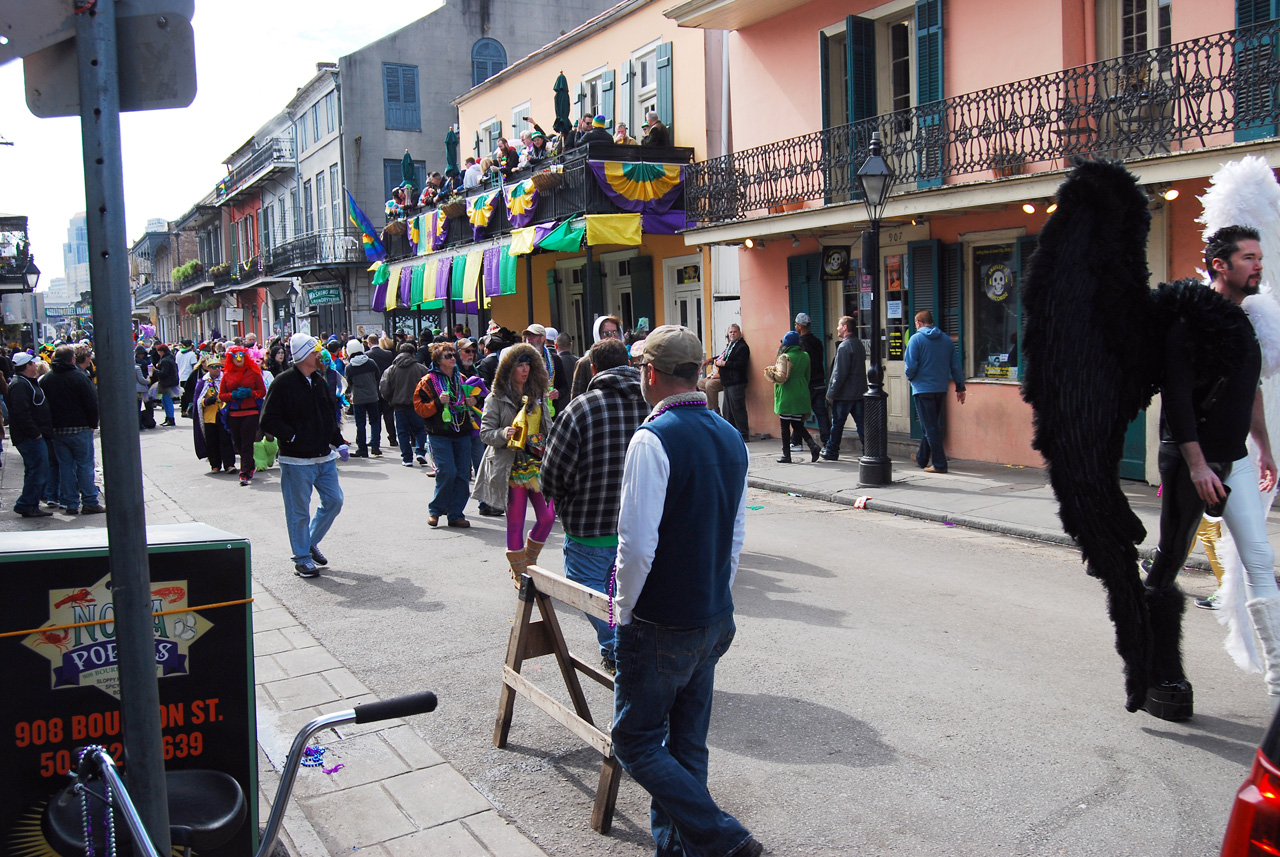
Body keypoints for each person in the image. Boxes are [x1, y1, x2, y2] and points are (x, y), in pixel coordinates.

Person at [610, 325, 762, 857]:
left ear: (651, 373)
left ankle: (722, 837)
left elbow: (636, 546)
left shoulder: (653, 438)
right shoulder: (727, 433)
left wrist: (623, 611)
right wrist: (716, 593)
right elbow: (737, 534)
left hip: (663, 620)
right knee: (687, 744)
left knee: (634, 740)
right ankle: (677, 848)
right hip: (712, 613)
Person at [1159, 225, 1280, 711]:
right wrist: (1197, 465)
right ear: (1220, 266)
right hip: (1194, 462)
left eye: (1258, 257)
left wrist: (1264, 448)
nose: (1258, 265)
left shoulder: (1244, 321)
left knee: (1259, 558)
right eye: (1248, 258)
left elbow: (1247, 391)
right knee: (1170, 559)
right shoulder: (1190, 322)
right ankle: (1155, 662)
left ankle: (1277, 684)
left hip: (1237, 461)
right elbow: (1177, 397)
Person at [542, 338, 649, 671]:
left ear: (592, 368)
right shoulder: (653, 406)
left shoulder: (580, 408)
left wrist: (558, 498)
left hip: (588, 526)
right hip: (640, 527)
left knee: (589, 591)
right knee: (631, 594)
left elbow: (552, 473)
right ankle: (625, 647)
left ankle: (618, 648)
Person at [259, 333, 349, 579]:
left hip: (323, 457)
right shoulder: (283, 382)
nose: (319, 355)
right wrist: (293, 437)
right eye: (314, 352)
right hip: (297, 460)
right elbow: (268, 419)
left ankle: (309, 542)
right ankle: (301, 558)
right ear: (302, 356)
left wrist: (338, 442)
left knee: (334, 501)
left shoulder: (318, 380)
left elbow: (328, 415)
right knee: (299, 511)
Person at [473, 344, 555, 583]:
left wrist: (547, 441)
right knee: (516, 520)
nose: (525, 369)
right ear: (509, 368)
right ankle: (520, 573)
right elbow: (485, 433)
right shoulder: (495, 398)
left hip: (537, 463)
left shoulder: (538, 395)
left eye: (528, 364)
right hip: (509, 465)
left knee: (548, 517)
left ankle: (528, 560)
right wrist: (504, 433)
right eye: (520, 364)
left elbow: (548, 427)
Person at [417, 342, 476, 527]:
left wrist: (472, 400)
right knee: (447, 471)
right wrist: (436, 402)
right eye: (447, 356)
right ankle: (435, 510)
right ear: (438, 360)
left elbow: (476, 401)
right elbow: (419, 407)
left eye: (453, 355)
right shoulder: (427, 381)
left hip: (462, 431)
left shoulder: (462, 378)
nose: (452, 358)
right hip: (439, 432)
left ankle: (456, 514)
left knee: (462, 474)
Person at [39, 344, 103, 514]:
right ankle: (89, 501)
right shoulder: (79, 377)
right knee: (84, 465)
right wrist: (92, 424)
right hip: (80, 427)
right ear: (72, 359)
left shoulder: (46, 379)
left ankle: (71, 503)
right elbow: (91, 402)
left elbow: (43, 406)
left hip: (57, 430)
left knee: (65, 466)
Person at [904, 309, 967, 474]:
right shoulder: (946, 340)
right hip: (940, 388)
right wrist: (960, 386)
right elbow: (955, 365)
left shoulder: (915, 339)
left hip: (922, 389)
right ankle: (921, 458)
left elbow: (910, 366)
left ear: (918, 323)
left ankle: (939, 463)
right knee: (929, 425)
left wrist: (910, 378)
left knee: (930, 426)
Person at [6, 352, 53, 518]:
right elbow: (21, 412)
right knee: (38, 470)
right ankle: (26, 503)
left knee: (35, 470)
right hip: (29, 437)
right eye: (33, 364)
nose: (35, 366)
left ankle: (30, 504)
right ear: (27, 366)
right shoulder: (20, 385)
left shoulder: (24, 383)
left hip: (30, 435)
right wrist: (35, 433)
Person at [764, 331, 819, 462]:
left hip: (787, 394)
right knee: (797, 424)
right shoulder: (805, 356)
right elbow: (808, 376)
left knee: (785, 426)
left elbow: (780, 377)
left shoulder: (784, 357)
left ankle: (786, 455)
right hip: (801, 392)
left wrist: (771, 373)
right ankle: (813, 446)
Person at [219, 345, 267, 486]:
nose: (238, 359)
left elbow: (262, 391)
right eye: (235, 356)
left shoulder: (254, 372)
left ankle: (244, 473)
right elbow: (221, 395)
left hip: (251, 411)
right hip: (234, 413)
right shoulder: (227, 374)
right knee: (238, 443)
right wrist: (232, 395)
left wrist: (250, 393)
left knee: (247, 443)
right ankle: (250, 464)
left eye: (241, 355)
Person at [822, 316, 868, 460]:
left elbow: (839, 373)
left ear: (845, 327)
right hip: (859, 392)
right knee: (861, 424)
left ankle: (832, 450)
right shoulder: (858, 344)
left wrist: (831, 392)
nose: (837, 328)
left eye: (839, 325)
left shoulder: (844, 346)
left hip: (844, 394)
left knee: (837, 424)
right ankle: (868, 450)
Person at [378, 343, 430, 467]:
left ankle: (407, 458)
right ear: (413, 353)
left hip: (399, 405)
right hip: (417, 405)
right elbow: (429, 386)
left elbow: (384, 388)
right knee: (420, 430)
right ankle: (420, 451)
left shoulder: (391, 370)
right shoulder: (421, 368)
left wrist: (391, 400)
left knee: (402, 432)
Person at [194, 356, 237, 474]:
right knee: (212, 441)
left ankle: (229, 464)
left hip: (223, 415)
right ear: (208, 368)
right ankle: (215, 465)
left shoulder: (225, 379)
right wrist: (207, 401)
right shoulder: (203, 382)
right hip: (210, 417)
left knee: (226, 440)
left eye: (219, 367)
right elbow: (198, 401)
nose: (217, 370)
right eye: (214, 367)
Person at [794, 312, 830, 449]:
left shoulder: (801, 344)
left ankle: (796, 441)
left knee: (799, 413)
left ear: (799, 326)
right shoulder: (818, 342)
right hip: (819, 381)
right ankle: (827, 441)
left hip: (808, 383)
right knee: (821, 413)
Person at [344, 339, 382, 458]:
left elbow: (348, 383)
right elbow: (377, 376)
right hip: (373, 396)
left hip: (358, 399)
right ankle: (375, 447)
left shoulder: (350, 367)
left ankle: (362, 449)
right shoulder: (371, 363)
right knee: (375, 422)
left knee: (360, 424)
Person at [571, 316, 624, 398]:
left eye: (615, 333)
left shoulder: (624, 359)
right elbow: (576, 397)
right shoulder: (584, 363)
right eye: (607, 334)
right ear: (598, 335)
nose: (612, 337)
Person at [714, 324, 750, 442]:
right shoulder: (730, 346)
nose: (732, 334)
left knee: (737, 409)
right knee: (728, 410)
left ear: (739, 333)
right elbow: (724, 357)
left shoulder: (742, 347)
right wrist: (714, 360)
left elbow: (740, 364)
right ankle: (731, 434)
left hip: (736, 382)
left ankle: (744, 434)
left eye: (735, 332)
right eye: (730, 332)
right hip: (728, 382)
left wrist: (725, 364)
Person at [522, 324, 564, 414]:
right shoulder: (522, 359)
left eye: (533, 336)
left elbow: (564, 386)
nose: (529, 339)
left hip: (549, 411)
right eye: (527, 335)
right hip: (528, 410)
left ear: (542, 338)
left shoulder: (554, 359)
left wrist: (558, 393)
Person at [151, 342, 180, 427]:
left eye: (159, 352)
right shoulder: (170, 358)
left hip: (166, 382)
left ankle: (170, 418)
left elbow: (163, 373)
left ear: (162, 351)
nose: (158, 353)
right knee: (165, 400)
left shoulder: (165, 360)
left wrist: (154, 370)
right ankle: (168, 418)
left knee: (167, 400)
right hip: (171, 381)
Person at [176, 339, 200, 418]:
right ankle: (189, 410)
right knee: (190, 395)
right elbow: (194, 366)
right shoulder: (191, 354)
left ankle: (183, 410)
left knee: (183, 395)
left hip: (181, 376)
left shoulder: (178, 353)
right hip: (189, 377)